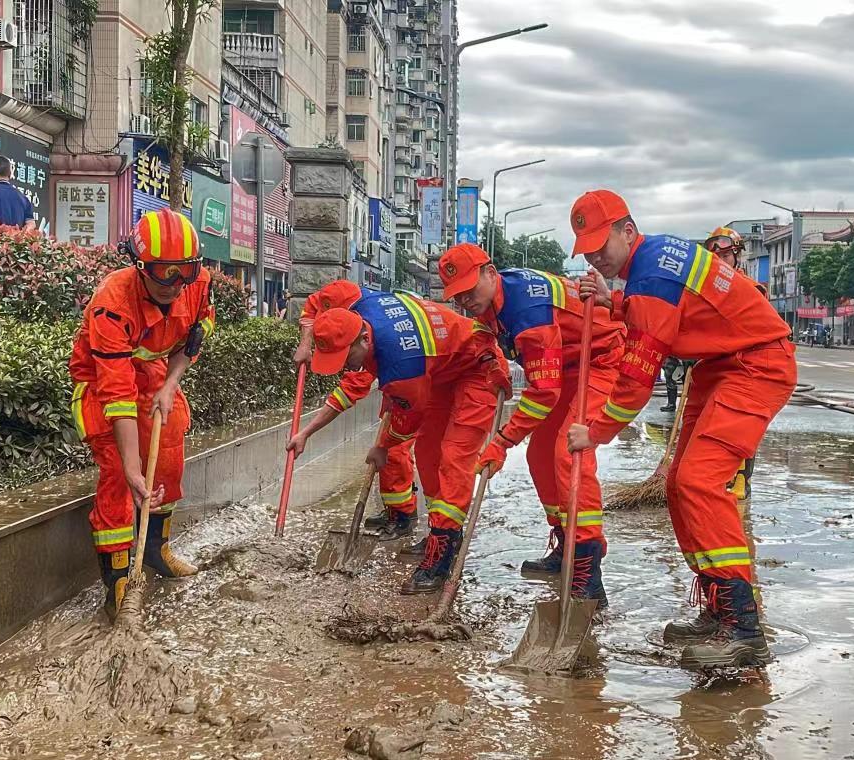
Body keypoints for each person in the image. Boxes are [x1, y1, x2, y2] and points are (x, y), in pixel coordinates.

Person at [565, 190, 796, 668]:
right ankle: (717, 608)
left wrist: (598, 430)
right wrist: (614, 301)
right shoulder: (652, 262)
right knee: (677, 484)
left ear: (627, 231)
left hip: (755, 366)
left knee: (699, 481)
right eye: (585, 250)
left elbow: (636, 374)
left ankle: (742, 628)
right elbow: (663, 309)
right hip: (719, 367)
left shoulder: (651, 272)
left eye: (599, 246)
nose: (594, 257)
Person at [436, 243, 625, 606]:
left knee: (569, 452)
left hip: (602, 357)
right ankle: (565, 541)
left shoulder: (528, 312)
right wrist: (492, 363)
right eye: (457, 296)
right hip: (569, 362)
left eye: (470, 290)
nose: (465, 301)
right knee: (540, 454)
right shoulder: (493, 300)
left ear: (491, 274)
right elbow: (483, 331)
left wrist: (503, 441)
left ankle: (587, 571)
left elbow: (544, 394)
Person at [292, 292, 507, 593]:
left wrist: (382, 446)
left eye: (345, 358)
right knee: (428, 453)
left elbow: (408, 422)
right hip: (440, 371)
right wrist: (307, 432)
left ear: (364, 339)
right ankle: (443, 531)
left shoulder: (402, 367)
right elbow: (368, 387)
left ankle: (442, 555)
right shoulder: (360, 310)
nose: (345, 366)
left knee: (454, 457)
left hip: (478, 368)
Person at [68, 209, 214, 619]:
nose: (175, 285)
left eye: (184, 272)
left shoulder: (196, 285)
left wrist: (169, 385)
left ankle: (154, 550)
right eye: (163, 273)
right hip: (102, 379)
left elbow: (196, 336)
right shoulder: (112, 303)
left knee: (168, 451)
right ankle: (118, 582)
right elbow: (117, 393)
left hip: (155, 372)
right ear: (139, 265)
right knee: (119, 470)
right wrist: (133, 467)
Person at [291, 280, 420, 540]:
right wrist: (305, 343)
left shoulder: (368, 342)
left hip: (413, 374)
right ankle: (394, 509)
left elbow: (347, 393)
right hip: (400, 371)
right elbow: (312, 307)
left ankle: (404, 515)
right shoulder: (342, 302)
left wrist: (307, 432)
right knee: (386, 447)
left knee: (393, 448)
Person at [705, 226, 757, 503]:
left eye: (726, 255)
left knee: (741, 429)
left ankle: (740, 480)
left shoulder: (749, 288)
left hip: (745, 368)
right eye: (716, 256)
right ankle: (721, 478)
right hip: (715, 367)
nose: (721, 261)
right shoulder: (706, 291)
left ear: (736, 256)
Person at [0, 156, 36, 230]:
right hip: (17, 240)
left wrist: (1, 236)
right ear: (10, 174)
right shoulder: (22, 196)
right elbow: (31, 223)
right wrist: (20, 236)